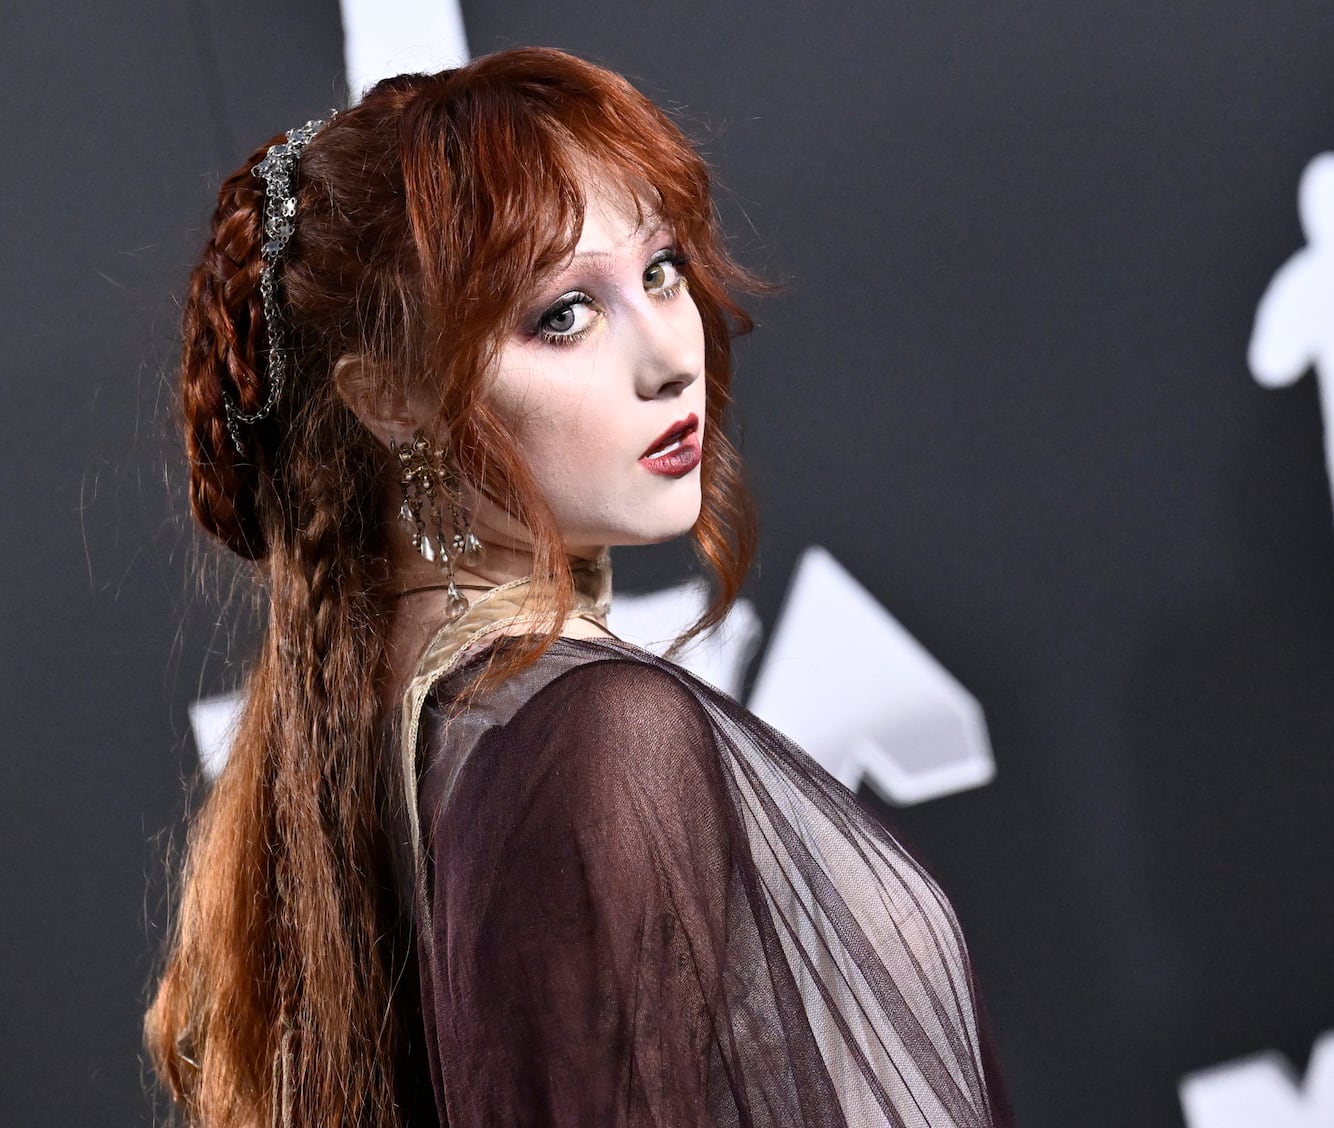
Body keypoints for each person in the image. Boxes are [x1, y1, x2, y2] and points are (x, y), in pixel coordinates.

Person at [146, 46, 1013, 1128]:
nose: (667, 356)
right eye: (562, 314)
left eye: (659, 271)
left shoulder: (394, 748)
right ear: (395, 403)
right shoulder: (599, 740)